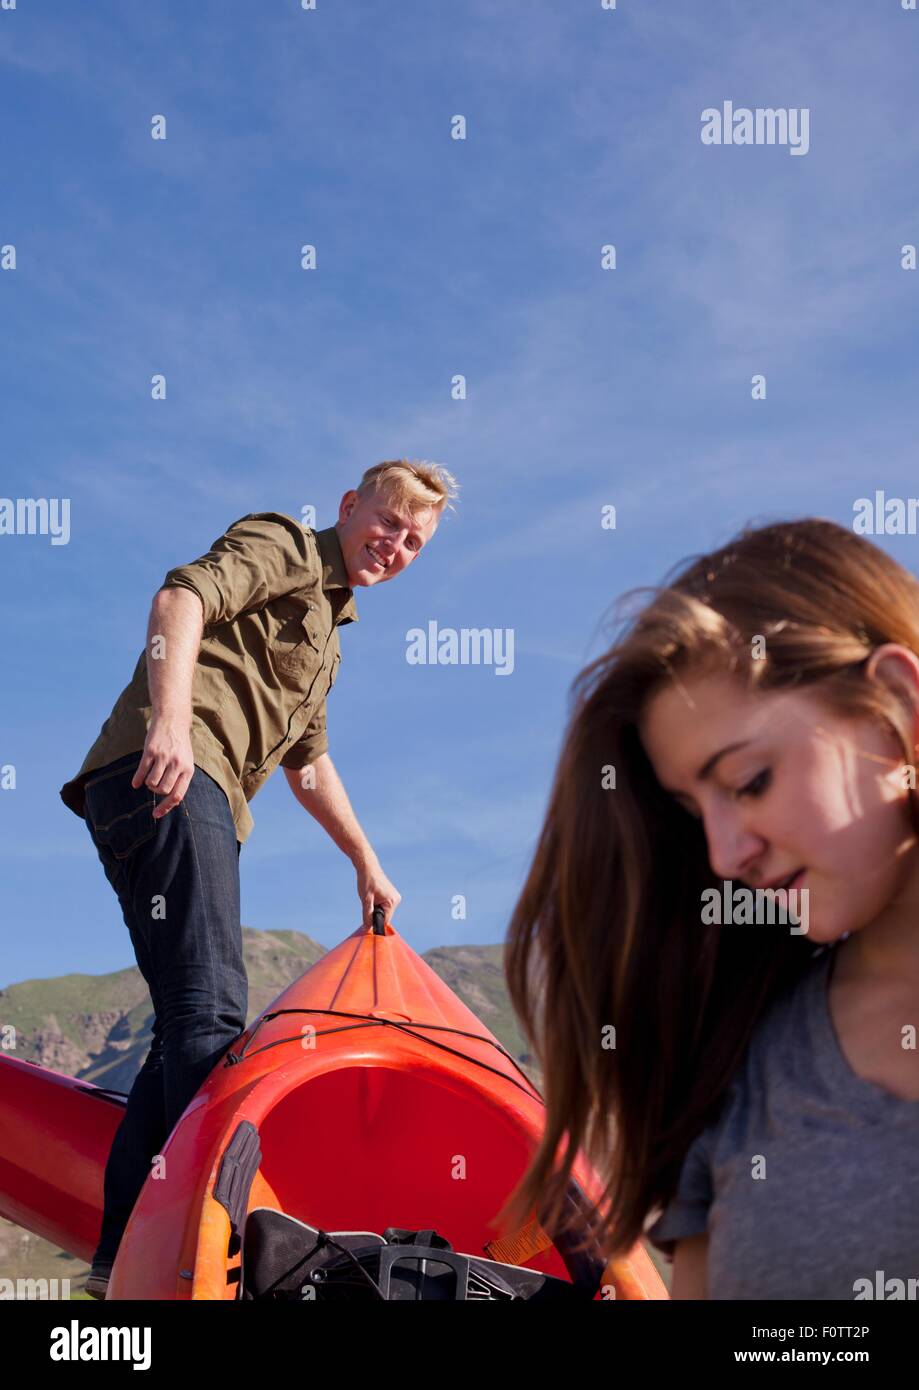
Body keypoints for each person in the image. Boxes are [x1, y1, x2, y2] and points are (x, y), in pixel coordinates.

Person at [59, 459, 459, 1299]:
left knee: (182, 1028)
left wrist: (366, 861)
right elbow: (181, 597)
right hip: (171, 771)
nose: (394, 545)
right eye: (386, 523)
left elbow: (308, 766)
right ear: (350, 507)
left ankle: (120, 1266)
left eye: (413, 541)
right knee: (211, 1015)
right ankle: (199, 1259)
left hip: (184, 793)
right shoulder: (283, 543)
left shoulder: (328, 642)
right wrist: (171, 724)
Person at [497, 517, 919, 1299]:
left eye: (749, 781)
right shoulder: (738, 1064)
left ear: (897, 704)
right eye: (694, 814)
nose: (726, 858)